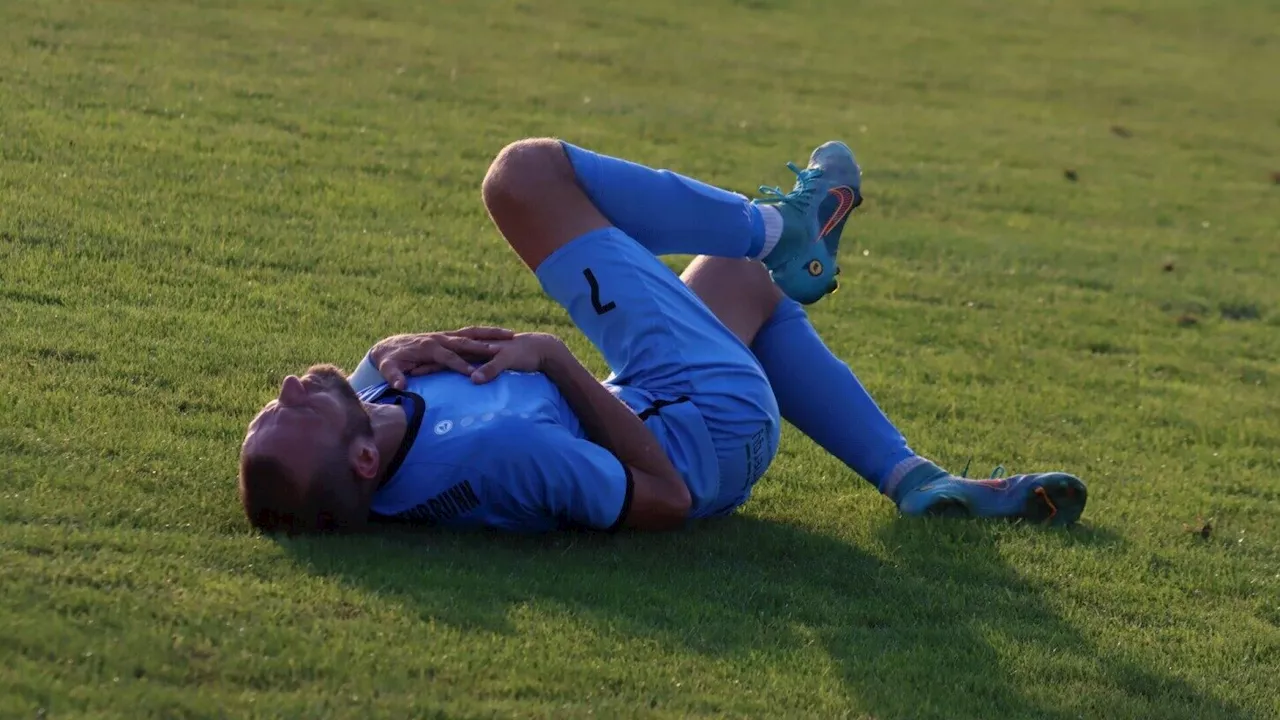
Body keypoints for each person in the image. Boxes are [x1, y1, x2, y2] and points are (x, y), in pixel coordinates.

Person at [237, 138, 1087, 534]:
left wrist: (394, 349)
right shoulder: (494, 453)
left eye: (261, 411)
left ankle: (914, 480)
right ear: (356, 463)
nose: (283, 391)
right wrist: (556, 359)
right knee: (526, 179)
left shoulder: (372, 416)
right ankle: (778, 228)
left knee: (740, 287)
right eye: (292, 413)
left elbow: (366, 392)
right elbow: (665, 498)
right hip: (705, 425)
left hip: (665, 395)